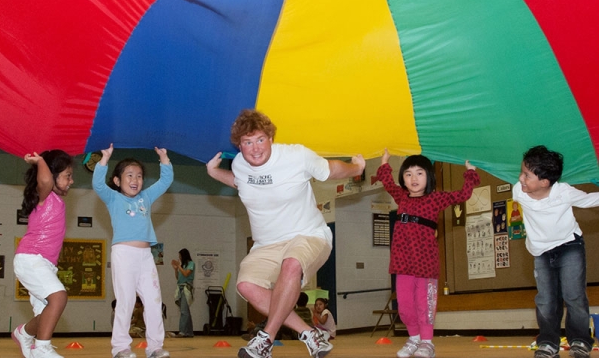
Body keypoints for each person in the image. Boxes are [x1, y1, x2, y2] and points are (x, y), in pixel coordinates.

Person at [206, 109, 365, 358]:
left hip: (308, 235)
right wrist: (213, 173)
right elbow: (240, 181)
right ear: (239, 145)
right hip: (266, 245)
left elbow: (330, 169)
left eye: (260, 140)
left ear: (270, 138)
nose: (255, 148)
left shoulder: (296, 156)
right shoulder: (239, 165)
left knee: (291, 264)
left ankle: (265, 339)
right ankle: (310, 335)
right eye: (247, 142)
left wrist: (356, 167)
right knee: (247, 285)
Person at [377, 150, 479, 358]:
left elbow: (463, 195)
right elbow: (387, 182)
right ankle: (413, 338)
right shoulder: (401, 196)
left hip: (425, 264)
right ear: (403, 178)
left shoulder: (435, 199)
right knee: (405, 306)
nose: (413, 178)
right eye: (408, 174)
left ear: (429, 176)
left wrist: (469, 173)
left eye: (419, 173)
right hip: (402, 263)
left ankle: (427, 342)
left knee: (425, 305)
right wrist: (385, 162)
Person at [512, 146, 599, 358]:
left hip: (569, 246)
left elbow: (590, 200)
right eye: (522, 172)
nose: (520, 178)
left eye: (527, 175)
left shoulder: (563, 192)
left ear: (545, 182)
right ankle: (548, 342)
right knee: (546, 299)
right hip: (541, 252)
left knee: (574, 294)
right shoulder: (518, 191)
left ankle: (580, 340)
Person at [93, 143, 173, 358]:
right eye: (129, 175)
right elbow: (98, 185)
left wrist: (163, 158)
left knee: (154, 302)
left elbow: (165, 181)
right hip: (124, 255)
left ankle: (155, 347)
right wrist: (104, 159)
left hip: (146, 256)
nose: (135, 180)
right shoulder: (113, 198)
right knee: (126, 302)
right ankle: (120, 348)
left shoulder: (145, 198)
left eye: (138, 176)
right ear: (118, 181)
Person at [12, 150, 74, 358]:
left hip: (44, 264)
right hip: (31, 258)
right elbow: (45, 180)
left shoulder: (55, 200)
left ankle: (24, 333)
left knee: (45, 314)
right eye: (67, 176)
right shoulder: (44, 196)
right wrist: (39, 161)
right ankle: (41, 347)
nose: (71, 181)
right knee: (59, 297)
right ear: (53, 176)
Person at [169, 248, 195, 338]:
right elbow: (178, 278)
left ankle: (182, 331)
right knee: (185, 311)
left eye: (180, 256)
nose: (179, 257)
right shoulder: (182, 265)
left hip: (186, 288)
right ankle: (189, 332)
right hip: (180, 287)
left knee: (184, 311)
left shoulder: (191, 264)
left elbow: (186, 274)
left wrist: (179, 266)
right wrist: (176, 269)